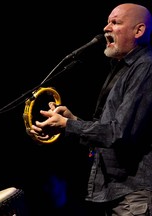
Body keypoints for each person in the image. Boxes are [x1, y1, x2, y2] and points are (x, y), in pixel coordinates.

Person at [29, 3, 152, 216]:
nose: (106, 27)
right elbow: (107, 129)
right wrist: (72, 120)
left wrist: (69, 125)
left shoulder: (146, 67)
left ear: (139, 31)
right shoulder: (123, 69)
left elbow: (119, 133)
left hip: (134, 194)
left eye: (116, 22)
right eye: (107, 21)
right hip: (118, 194)